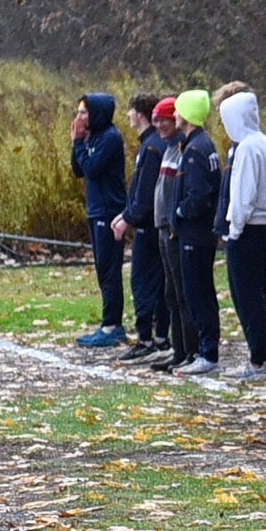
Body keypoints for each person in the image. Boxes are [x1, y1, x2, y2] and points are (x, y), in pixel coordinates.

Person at [214, 81, 266, 380]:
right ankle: (261, 355)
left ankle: (257, 359)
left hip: (248, 229)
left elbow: (243, 195)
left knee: (248, 294)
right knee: (259, 292)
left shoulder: (247, 149)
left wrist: (234, 228)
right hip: (261, 227)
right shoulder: (262, 142)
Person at [110, 90, 171, 363]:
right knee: (153, 281)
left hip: (149, 227)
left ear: (140, 113)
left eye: (131, 110)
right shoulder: (150, 144)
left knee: (144, 281)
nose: (128, 115)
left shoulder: (152, 146)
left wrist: (129, 218)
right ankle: (156, 338)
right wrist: (125, 212)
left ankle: (148, 338)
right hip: (147, 223)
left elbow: (146, 193)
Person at [168, 89, 224, 376]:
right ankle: (206, 350)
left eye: (178, 110)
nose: (174, 115)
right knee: (201, 291)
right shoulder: (201, 145)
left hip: (195, 235)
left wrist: (180, 212)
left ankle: (207, 352)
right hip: (199, 234)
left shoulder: (195, 150)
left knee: (198, 293)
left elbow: (199, 193)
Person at [69, 92, 127, 348]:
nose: (79, 117)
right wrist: (77, 143)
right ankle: (107, 322)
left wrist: (80, 145)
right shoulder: (92, 137)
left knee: (109, 269)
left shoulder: (110, 138)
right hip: (95, 210)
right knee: (102, 269)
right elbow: (78, 170)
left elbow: (93, 167)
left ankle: (112, 324)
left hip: (108, 211)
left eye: (84, 112)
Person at [145, 96, 193, 374]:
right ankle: (178, 348)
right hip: (163, 227)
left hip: (174, 229)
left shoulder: (184, 149)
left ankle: (189, 348)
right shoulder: (167, 149)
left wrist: (176, 220)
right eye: (157, 120)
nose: (160, 125)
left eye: (165, 119)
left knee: (181, 291)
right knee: (170, 292)